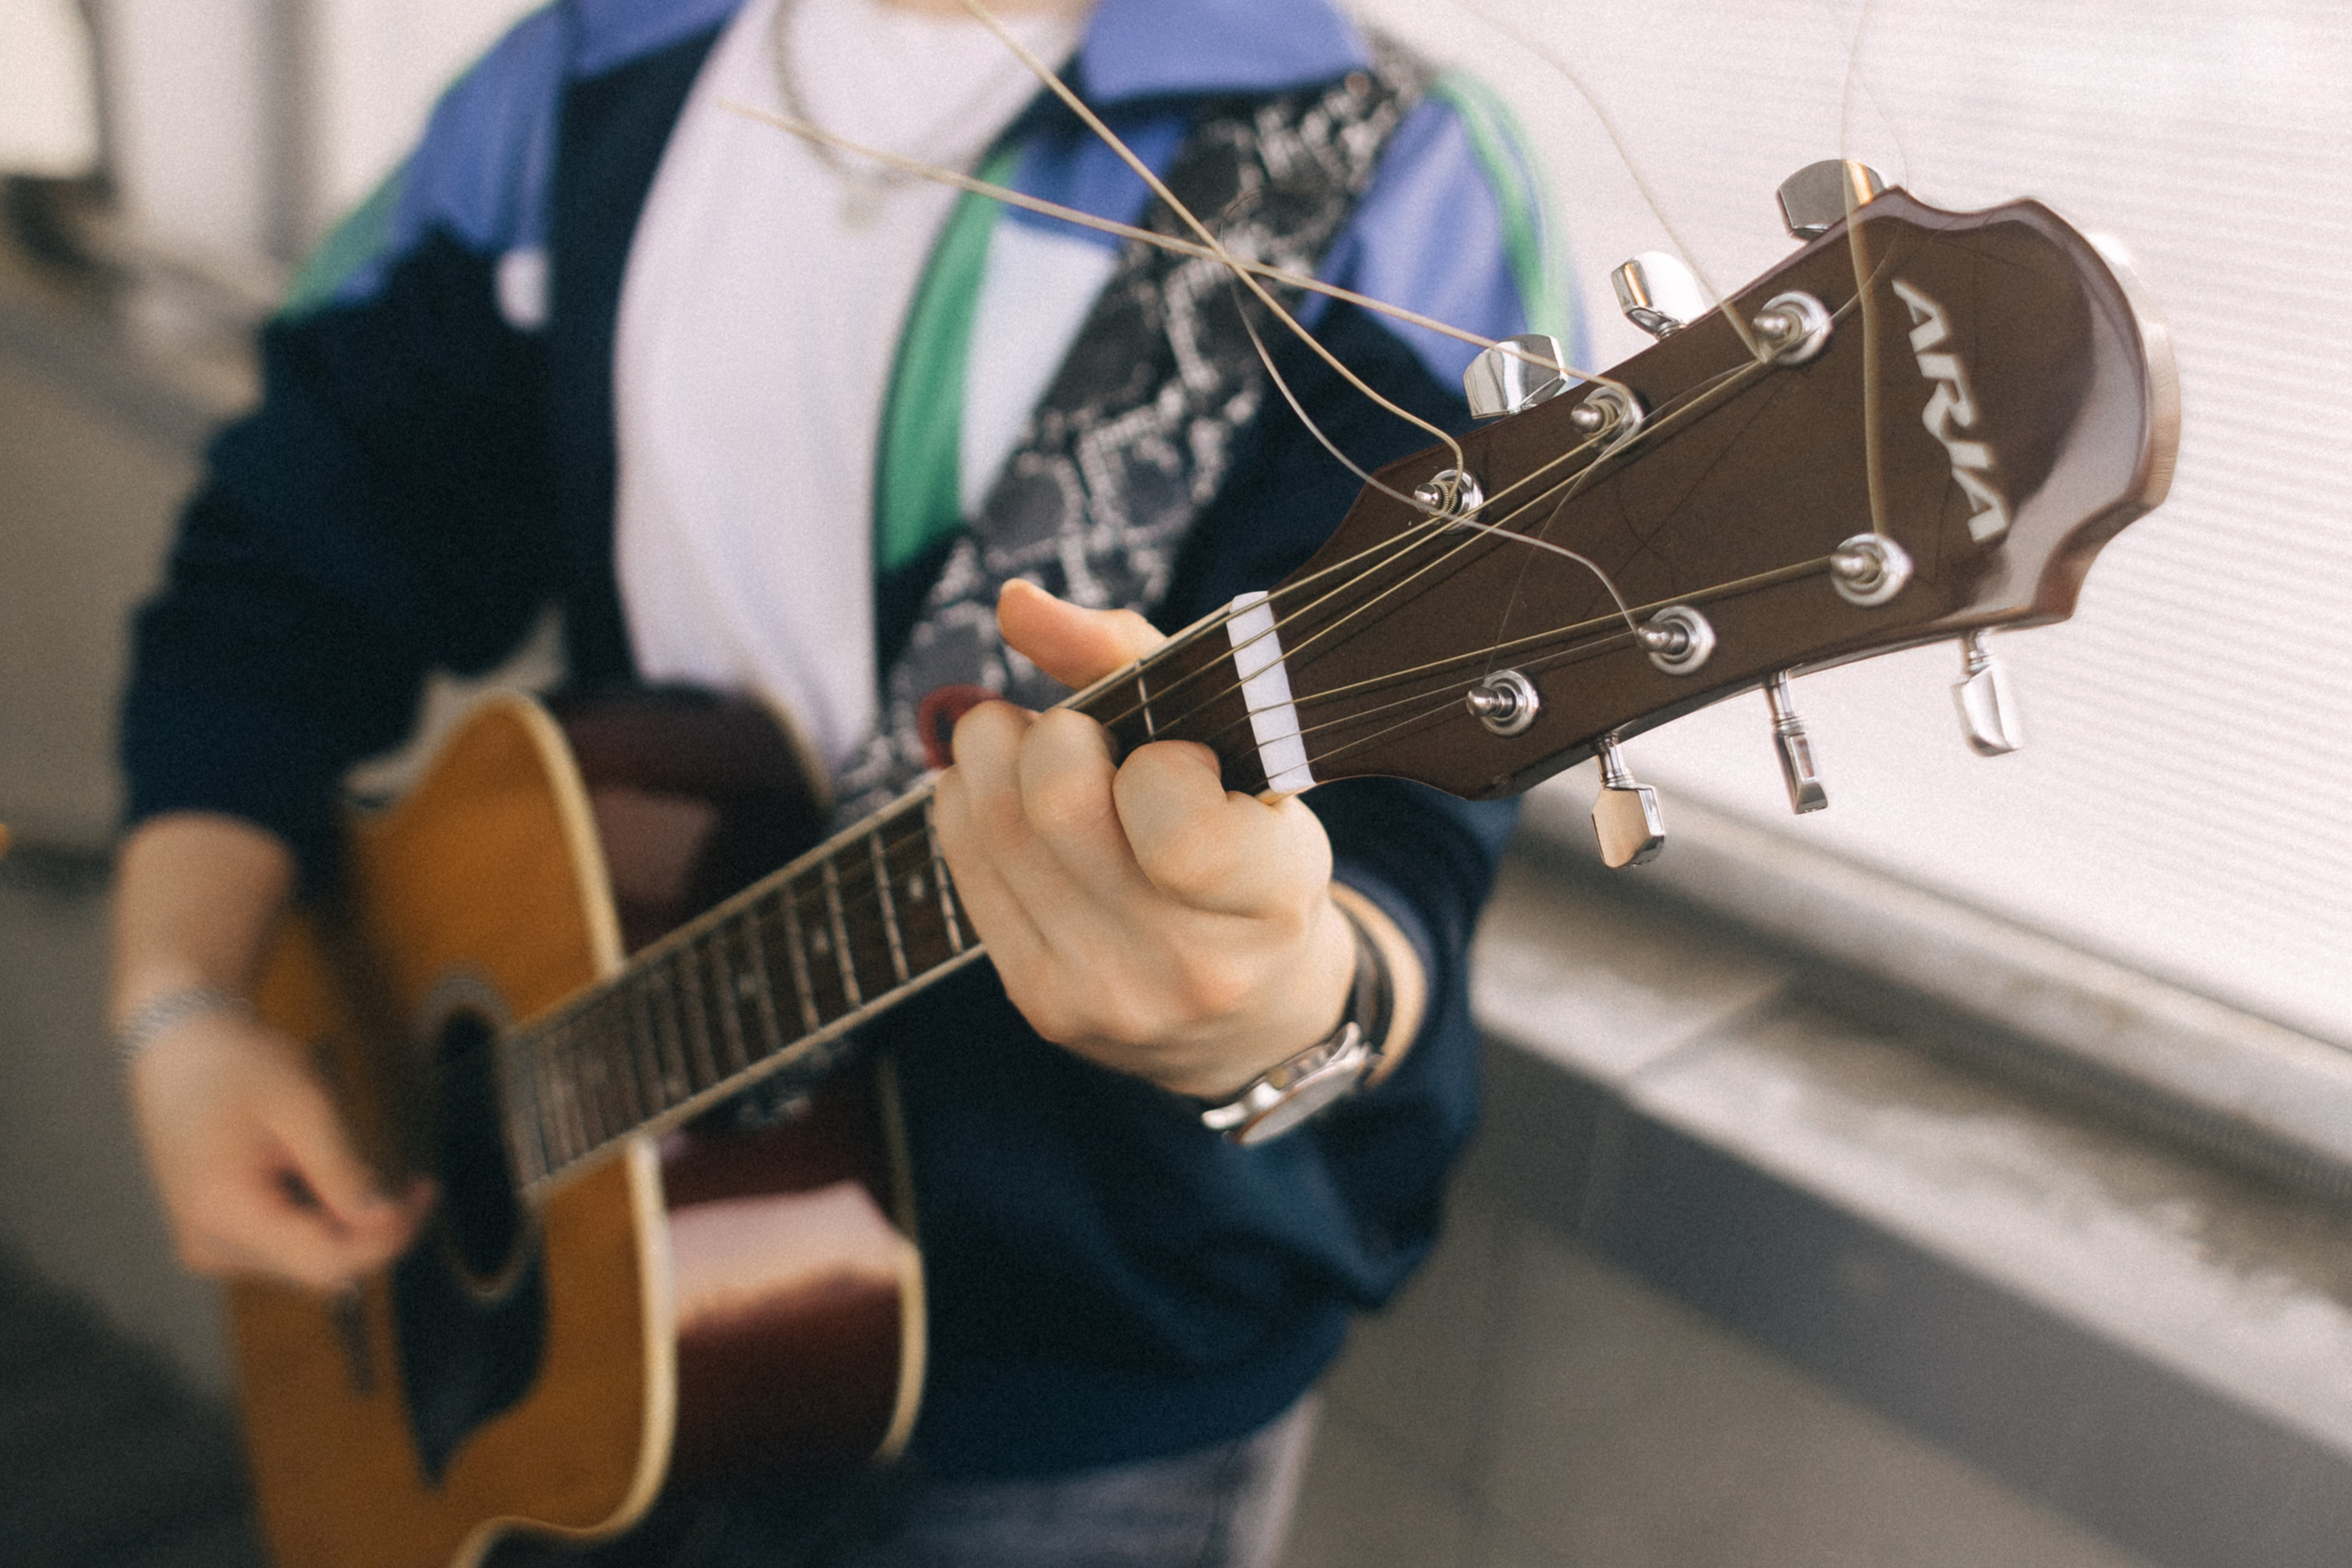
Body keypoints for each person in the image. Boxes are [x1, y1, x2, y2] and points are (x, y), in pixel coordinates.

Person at [109, 0, 1573, 1560]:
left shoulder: (1392, 172)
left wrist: (1276, 1007)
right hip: (575, 1285)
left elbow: (1409, 824)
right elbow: (297, 559)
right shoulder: (593, 71)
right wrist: (181, 1002)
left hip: (1071, 1377)